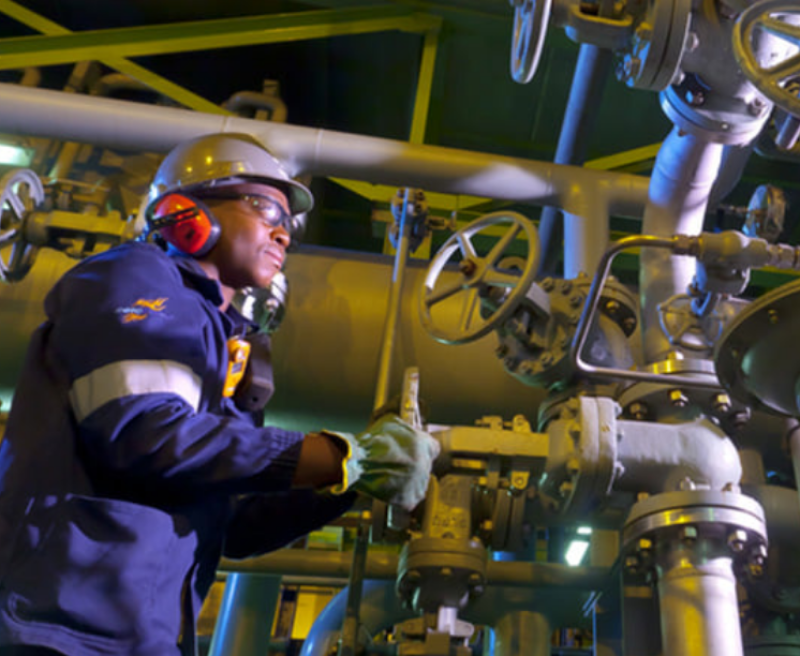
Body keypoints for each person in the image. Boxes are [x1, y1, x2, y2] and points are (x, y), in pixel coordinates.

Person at [0, 133, 440, 655]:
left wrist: (353, 478)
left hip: (135, 637)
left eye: (288, 225)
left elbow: (237, 526)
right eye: (265, 208)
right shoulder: (135, 273)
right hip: (55, 627)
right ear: (186, 213)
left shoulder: (224, 349)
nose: (283, 235)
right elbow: (148, 433)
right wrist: (343, 456)